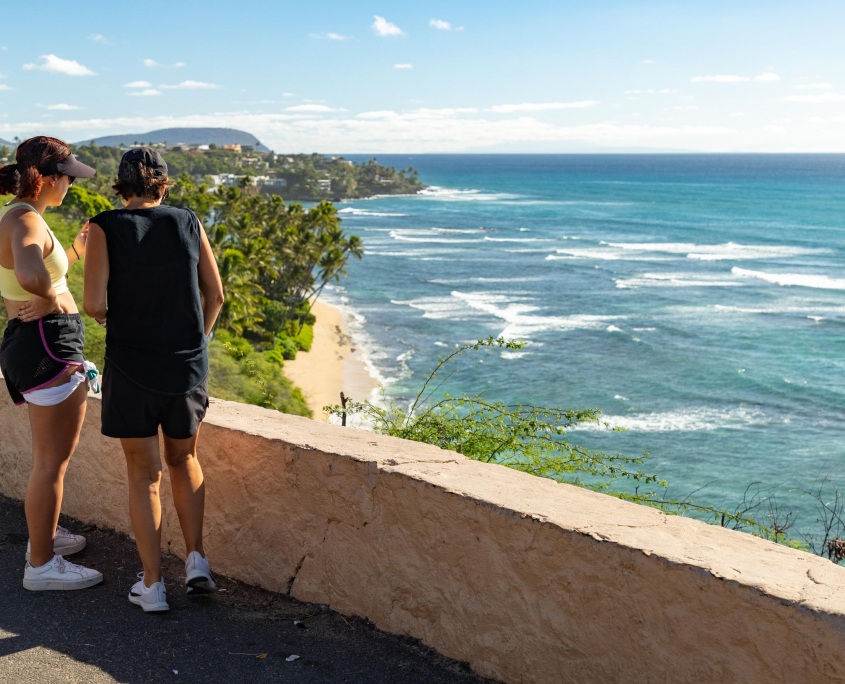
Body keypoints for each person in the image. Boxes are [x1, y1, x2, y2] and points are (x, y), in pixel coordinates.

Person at [83, 147, 224, 613]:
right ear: (163, 184)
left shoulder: (104, 226)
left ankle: (152, 585)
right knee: (184, 459)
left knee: (144, 475)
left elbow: (93, 304)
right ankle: (198, 561)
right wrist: (195, 343)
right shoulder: (187, 221)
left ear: (120, 185)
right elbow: (216, 294)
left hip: (131, 367)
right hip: (184, 368)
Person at [0, 136, 103, 591]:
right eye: (68, 178)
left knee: (49, 461)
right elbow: (29, 274)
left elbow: (35, 273)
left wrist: (74, 252)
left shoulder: (20, 216)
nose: (71, 187)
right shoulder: (24, 218)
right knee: (51, 463)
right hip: (46, 347)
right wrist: (55, 299)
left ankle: (46, 539)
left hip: (34, 344)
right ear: (47, 178)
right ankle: (40, 565)